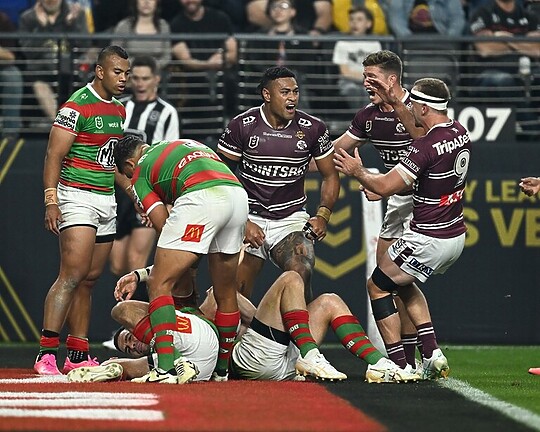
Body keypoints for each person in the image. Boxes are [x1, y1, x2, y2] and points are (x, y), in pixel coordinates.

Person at [334, 77, 472, 380]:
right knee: (402, 281)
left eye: (412, 105)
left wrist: (359, 172)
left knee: (378, 285)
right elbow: (422, 133)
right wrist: (396, 102)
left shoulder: (423, 148)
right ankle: (432, 353)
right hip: (455, 235)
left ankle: (399, 365)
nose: (409, 109)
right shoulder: (458, 131)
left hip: (427, 237)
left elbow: (384, 186)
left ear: (422, 107)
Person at [75, 268, 420, 383]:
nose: (131, 343)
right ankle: (311, 353)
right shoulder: (162, 353)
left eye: (129, 339)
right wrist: (115, 366)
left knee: (329, 301)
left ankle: (380, 364)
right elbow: (130, 360)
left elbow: (133, 310)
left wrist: (140, 276)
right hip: (249, 358)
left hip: (278, 356)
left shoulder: (173, 321)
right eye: (126, 343)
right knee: (289, 279)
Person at [113, 136, 248, 383]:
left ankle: (166, 368)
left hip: (203, 198)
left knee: (158, 283)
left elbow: (163, 226)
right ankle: (221, 371)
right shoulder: (179, 144)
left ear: (129, 166)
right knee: (226, 291)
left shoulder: (140, 171)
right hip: (237, 196)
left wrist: (159, 217)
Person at [34, 45, 130, 376]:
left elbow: (110, 158)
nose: (123, 79)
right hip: (76, 196)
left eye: (126, 74)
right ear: (100, 71)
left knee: (89, 280)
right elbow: (53, 155)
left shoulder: (119, 110)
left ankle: (77, 354)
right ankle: (46, 353)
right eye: (117, 72)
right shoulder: (76, 106)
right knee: (71, 275)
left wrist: (131, 190)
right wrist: (51, 199)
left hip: (106, 199)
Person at [331, 50, 425, 371]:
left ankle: (416, 358)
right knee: (386, 279)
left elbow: (429, 144)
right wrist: (297, 154)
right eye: (364, 77)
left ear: (391, 80)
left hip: (426, 200)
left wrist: (373, 179)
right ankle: (408, 362)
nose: (365, 83)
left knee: (389, 281)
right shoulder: (368, 115)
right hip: (398, 200)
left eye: (372, 78)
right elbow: (336, 151)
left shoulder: (422, 104)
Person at [217, 65, 340, 303]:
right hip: (249, 216)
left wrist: (322, 216)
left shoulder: (313, 128)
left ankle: (301, 340)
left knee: (301, 270)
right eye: (285, 92)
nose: (292, 98)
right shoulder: (242, 125)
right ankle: (236, 340)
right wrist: (243, 221)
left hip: (290, 218)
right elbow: (219, 177)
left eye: (295, 92)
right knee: (236, 291)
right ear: (267, 95)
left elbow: (331, 176)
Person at [109, 55, 180, 284]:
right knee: (117, 264)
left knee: (135, 259)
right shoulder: (120, 107)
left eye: (145, 79)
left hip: (148, 189)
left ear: (156, 80)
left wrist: (167, 199)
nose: (140, 83)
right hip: (119, 190)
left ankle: (136, 318)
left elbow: (170, 154)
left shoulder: (167, 112)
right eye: (135, 78)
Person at [468, 0, 540, 136]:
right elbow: (485, 48)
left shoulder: (530, 16)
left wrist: (506, 39)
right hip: (490, 73)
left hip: (526, 71)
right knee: (505, 81)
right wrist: (523, 41)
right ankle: (533, 130)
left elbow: (537, 50)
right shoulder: (483, 13)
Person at [170, 0, 238, 141]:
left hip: (221, 78)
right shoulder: (177, 23)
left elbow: (232, 54)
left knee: (230, 81)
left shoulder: (220, 18)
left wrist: (220, 60)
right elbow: (186, 61)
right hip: (192, 80)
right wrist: (209, 64)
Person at [18, 0, 91, 125]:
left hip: (71, 70)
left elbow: (85, 45)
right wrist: (43, 27)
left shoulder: (76, 14)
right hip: (41, 71)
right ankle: (61, 126)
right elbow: (27, 50)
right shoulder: (28, 18)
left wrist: (71, 25)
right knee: (39, 85)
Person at [331, 6, 382, 108]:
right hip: (348, 81)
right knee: (353, 90)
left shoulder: (375, 44)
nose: (354, 23)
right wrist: (364, 78)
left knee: (368, 91)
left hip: (370, 81)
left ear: (368, 24)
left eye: (359, 19)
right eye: (352, 19)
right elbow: (345, 72)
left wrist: (367, 80)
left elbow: (376, 70)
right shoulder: (342, 43)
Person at [111, 0, 172, 73]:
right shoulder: (124, 26)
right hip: (128, 74)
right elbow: (116, 54)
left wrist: (150, 69)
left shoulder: (163, 26)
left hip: (156, 75)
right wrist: (136, 68)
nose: (146, 2)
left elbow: (166, 56)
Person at [245, 0, 333, 35]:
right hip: (269, 39)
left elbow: (325, 12)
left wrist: (317, 32)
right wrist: (278, 28)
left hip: (305, 38)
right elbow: (254, 11)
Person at [0, 11, 22, 140]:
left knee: (13, 76)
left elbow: (10, 57)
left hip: (2, 68)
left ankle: (10, 133)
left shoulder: (3, 20)